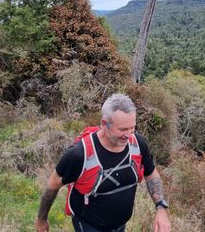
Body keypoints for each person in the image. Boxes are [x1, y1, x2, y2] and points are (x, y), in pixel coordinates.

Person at [35, 93, 171, 232]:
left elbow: (151, 173)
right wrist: (41, 219)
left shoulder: (138, 144)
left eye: (132, 128)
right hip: (88, 225)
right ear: (104, 124)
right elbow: (53, 184)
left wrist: (161, 207)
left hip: (120, 226)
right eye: (123, 129)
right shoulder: (79, 154)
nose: (129, 135)